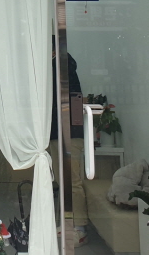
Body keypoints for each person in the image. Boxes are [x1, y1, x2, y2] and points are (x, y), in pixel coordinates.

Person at [50, 46, 89, 246]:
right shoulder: (58, 68)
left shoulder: (63, 67)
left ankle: (79, 227)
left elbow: (74, 100)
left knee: (72, 181)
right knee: (63, 180)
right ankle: (69, 223)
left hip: (68, 133)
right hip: (58, 132)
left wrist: (71, 127)